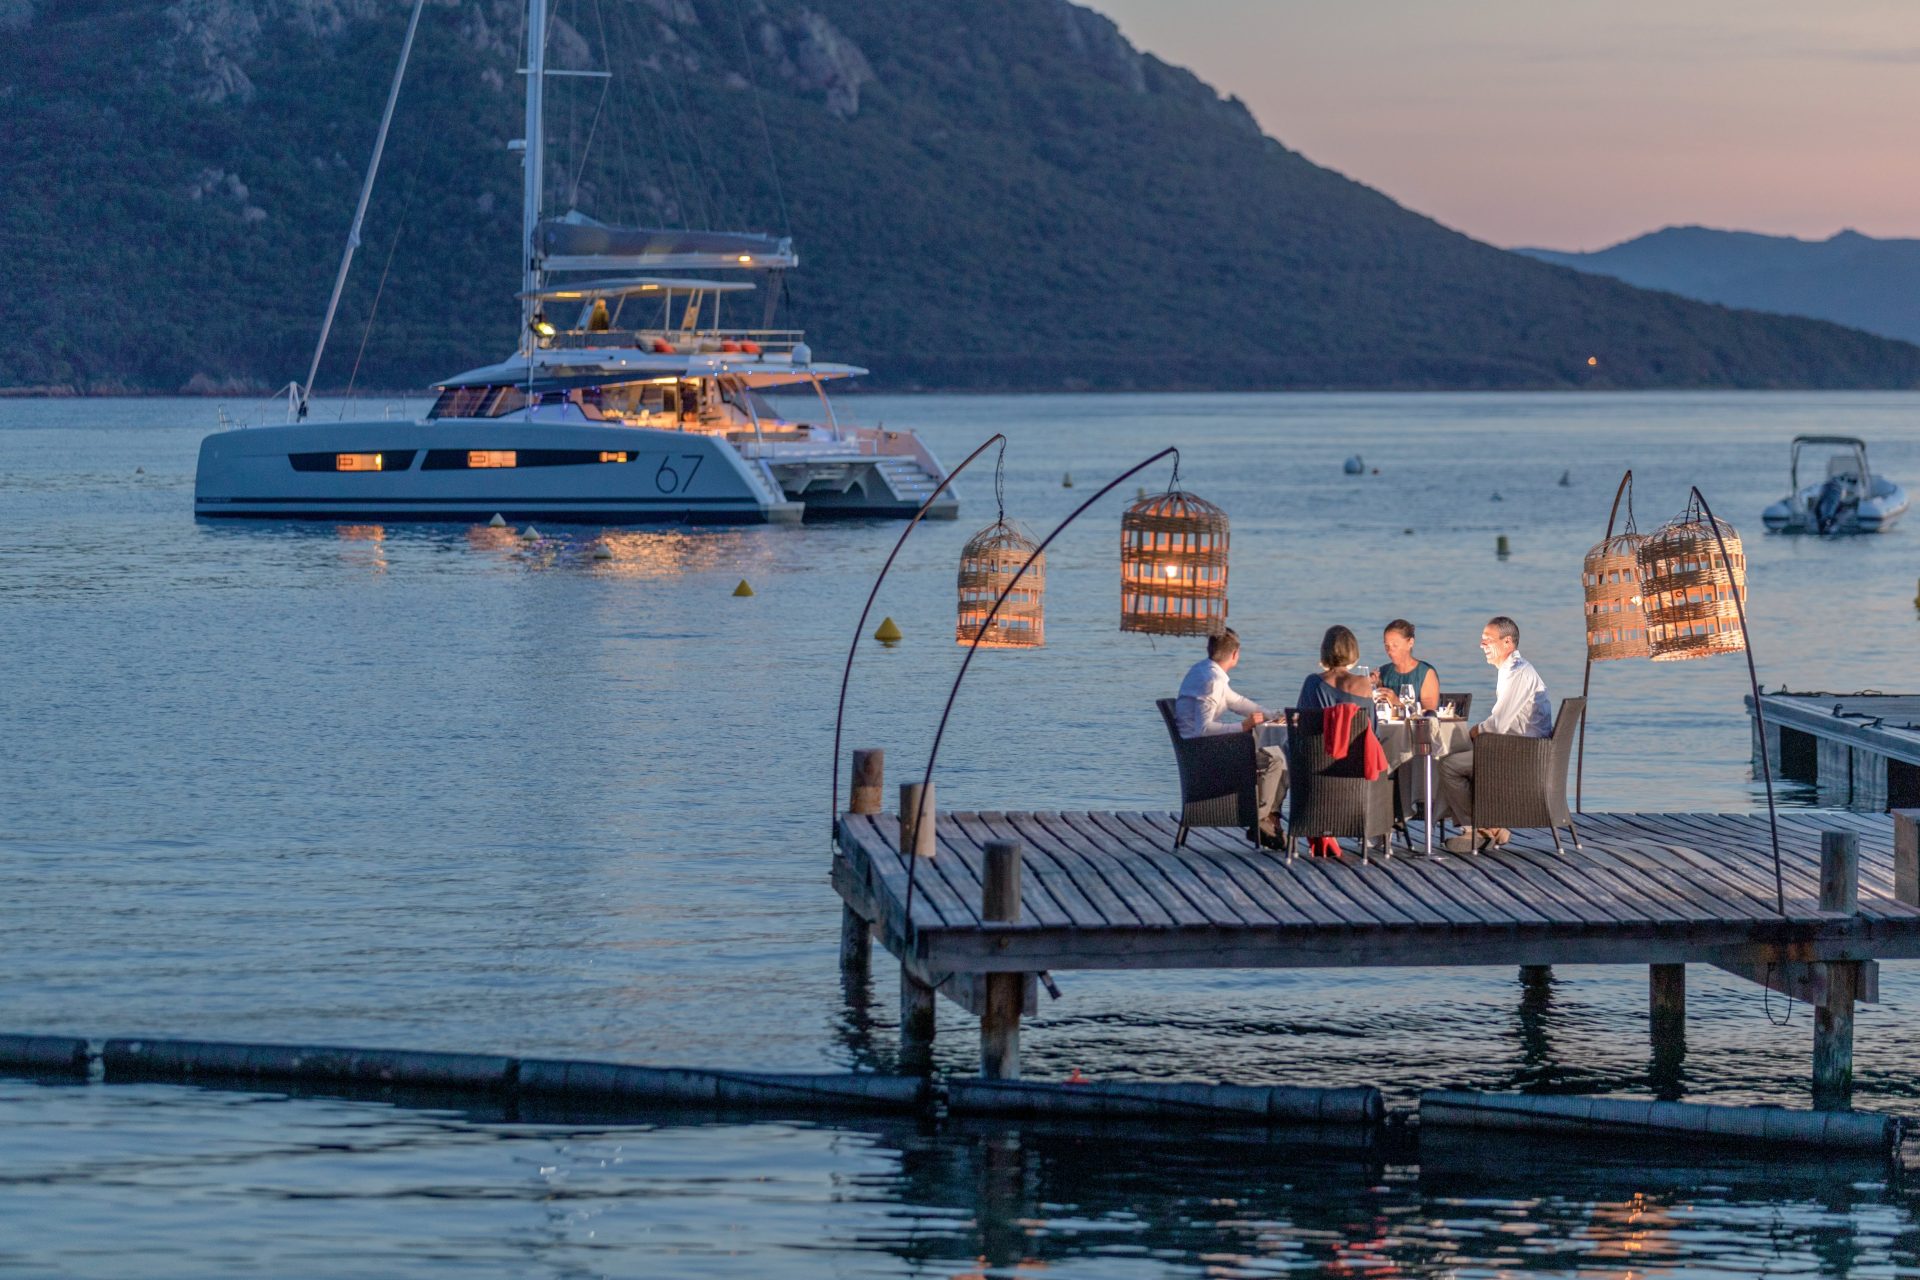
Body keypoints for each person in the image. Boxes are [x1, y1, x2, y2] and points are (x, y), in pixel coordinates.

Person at [1435, 615, 1552, 852]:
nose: (1481, 645)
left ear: (1507, 642)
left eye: (1487, 640)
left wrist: (1473, 731)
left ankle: (1475, 829)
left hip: (1522, 754)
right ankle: (1491, 827)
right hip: (1516, 748)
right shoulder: (1512, 670)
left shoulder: (1517, 672)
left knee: (1449, 765)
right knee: (1459, 755)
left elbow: (1498, 725)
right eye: (1482, 640)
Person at [1176, 628, 1288, 841]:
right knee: (1276, 759)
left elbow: (1237, 702)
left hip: (1199, 749)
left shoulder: (1205, 671)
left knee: (1276, 755)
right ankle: (1260, 820)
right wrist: (1243, 727)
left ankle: (1266, 820)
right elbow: (1204, 730)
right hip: (1202, 753)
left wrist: (1274, 714)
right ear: (1235, 654)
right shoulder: (1212, 681)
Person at [1296, 625, 1378, 726]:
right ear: (1353, 651)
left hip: (1320, 741)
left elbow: (1301, 723)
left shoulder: (1313, 682)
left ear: (1324, 651)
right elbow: (1373, 730)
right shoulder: (1364, 684)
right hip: (1355, 742)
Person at [1374, 618, 1439, 713]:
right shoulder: (1383, 672)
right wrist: (1371, 686)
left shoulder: (1425, 673)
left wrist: (1397, 703)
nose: (1389, 651)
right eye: (1386, 646)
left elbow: (1428, 716)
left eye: (1395, 645)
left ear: (1410, 643)